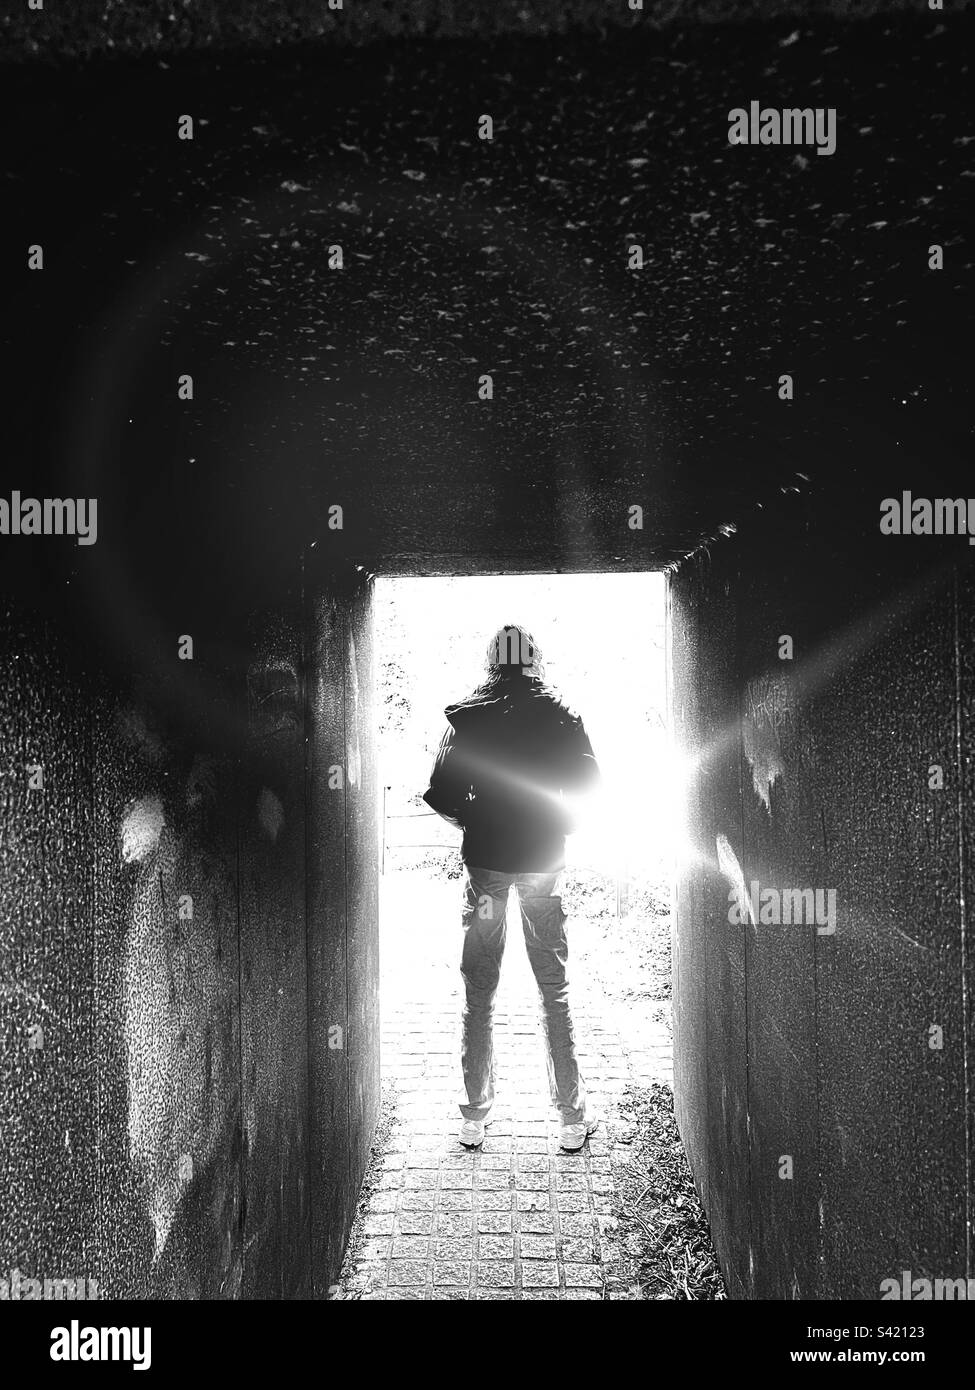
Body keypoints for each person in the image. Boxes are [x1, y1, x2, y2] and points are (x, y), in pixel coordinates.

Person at [422, 623, 601, 1151]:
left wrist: (474, 825)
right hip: (543, 860)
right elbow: (591, 786)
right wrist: (559, 822)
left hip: (487, 868)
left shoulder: (466, 718)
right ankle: (571, 1119)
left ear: (490, 665)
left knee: (479, 986)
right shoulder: (564, 717)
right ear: (536, 663)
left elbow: (441, 793)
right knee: (554, 986)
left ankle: (474, 1116)